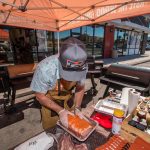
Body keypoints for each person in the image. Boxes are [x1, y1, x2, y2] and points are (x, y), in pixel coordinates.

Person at [30, 37, 88, 129]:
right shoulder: (44, 68)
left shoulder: (83, 65)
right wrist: (60, 111)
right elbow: (39, 95)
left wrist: (77, 108)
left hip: (69, 102)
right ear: (59, 58)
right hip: (50, 106)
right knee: (52, 132)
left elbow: (80, 87)